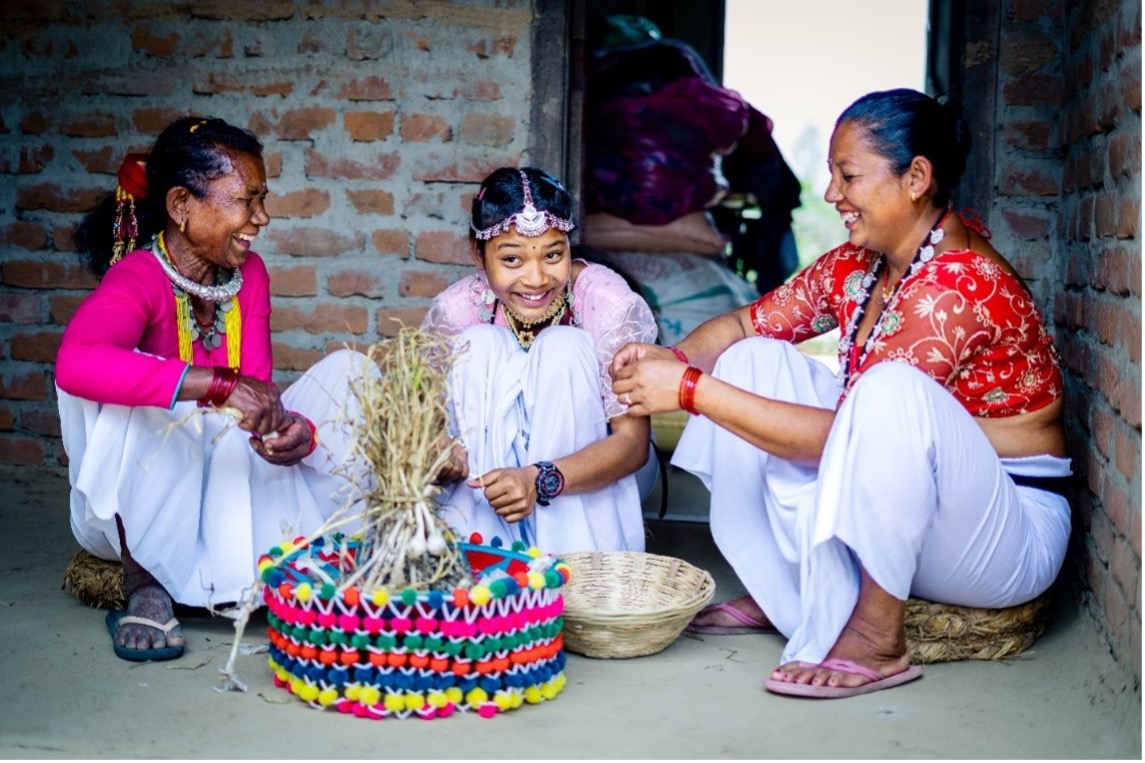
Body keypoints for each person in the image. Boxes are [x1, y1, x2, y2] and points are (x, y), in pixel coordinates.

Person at [611, 89, 1071, 699]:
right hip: (926, 504)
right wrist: (666, 364)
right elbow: (742, 326)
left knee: (887, 392)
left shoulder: (955, 287)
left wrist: (691, 391)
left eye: (847, 175)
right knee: (753, 360)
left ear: (916, 178)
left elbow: (852, 438)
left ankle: (879, 641)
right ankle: (785, 588)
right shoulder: (863, 263)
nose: (830, 193)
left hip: (1004, 530)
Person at [58, 117, 370, 662]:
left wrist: (284, 432)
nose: (261, 218)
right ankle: (145, 582)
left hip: (227, 491)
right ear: (182, 205)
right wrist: (217, 385)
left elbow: (256, 392)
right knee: (136, 388)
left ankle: (289, 557)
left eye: (261, 200)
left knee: (351, 373)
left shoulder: (249, 276)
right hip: (133, 508)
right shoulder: (137, 276)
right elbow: (75, 364)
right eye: (247, 201)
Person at [420, 167, 659, 554]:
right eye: (512, 260)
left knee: (563, 346)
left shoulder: (607, 303)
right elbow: (427, 430)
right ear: (477, 255)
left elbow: (633, 446)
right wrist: (443, 454)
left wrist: (537, 478)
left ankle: (574, 563)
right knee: (479, 343)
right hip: (494, 488)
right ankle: (482, 554)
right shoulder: (458, 310)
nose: (536, 279)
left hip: (595, 477)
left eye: (553, 254)